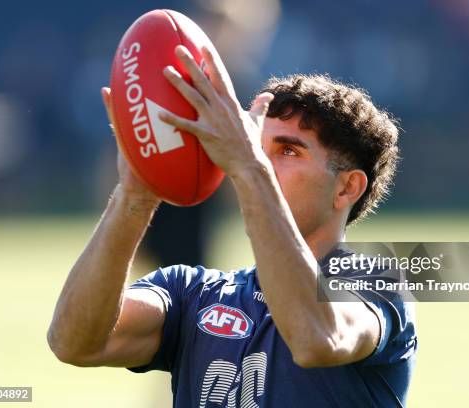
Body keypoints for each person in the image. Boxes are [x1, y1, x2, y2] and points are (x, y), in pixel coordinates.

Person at [47, 44, 416, 407]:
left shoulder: (375, 284)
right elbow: (73, 342)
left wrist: (249, 166)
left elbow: (316, 337)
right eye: (257, 146)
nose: (262, 162)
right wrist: (134, 194)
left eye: (288, 151)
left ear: (346, 187)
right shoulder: (192, 291)